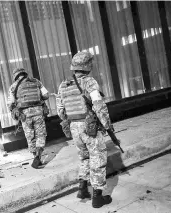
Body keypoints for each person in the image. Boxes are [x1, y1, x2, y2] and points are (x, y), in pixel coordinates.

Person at [56, 51, 113, 208]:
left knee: (84, 157)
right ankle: (97, 197)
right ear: (88, 66)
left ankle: (82, 189)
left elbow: (60, 111)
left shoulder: (64, 85)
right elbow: (98, 105)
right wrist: (107, 124)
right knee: (98, 158)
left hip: (74, 127)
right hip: (90, 126)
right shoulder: (90, 82)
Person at [7, 68, 49, 169]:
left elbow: (10, 104)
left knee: (30, 136)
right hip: (38, 112)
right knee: (40, 134)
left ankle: (35, 156)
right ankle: (39, 155)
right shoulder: (36, 82)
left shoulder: (13, 87)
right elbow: (46, 95)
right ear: (25, 74)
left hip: (25, 115)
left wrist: (15, 111)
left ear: (16, 76)